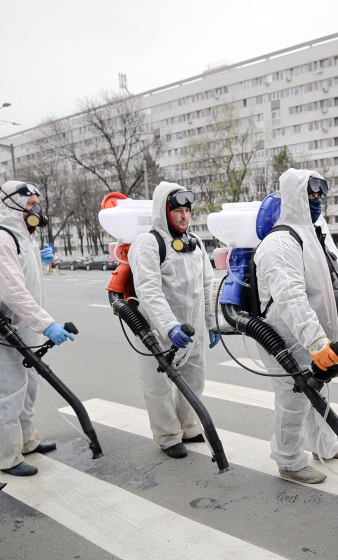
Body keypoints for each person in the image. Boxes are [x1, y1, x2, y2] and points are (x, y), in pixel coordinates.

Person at [252, 168, 338, 485]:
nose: (318, 199)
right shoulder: (281, 242)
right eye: (311, 192)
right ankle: (289, 460)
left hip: (312, 339)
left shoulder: (312, 236)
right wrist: (316, 344)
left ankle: (323, 444)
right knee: (293, 399)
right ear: (295, 195)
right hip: (285, 339)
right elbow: (291, 298)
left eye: (321, 193)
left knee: (319, 391)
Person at [0, 181, 74, 477]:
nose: (36, 211)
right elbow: (11, 291)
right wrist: (47, 324)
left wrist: (38, 262)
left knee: (28, 390)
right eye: (30, 206)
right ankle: (7, 457)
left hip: (25, 329)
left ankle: (28, 442)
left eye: (36, 205)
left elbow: (26, 280)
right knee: (7, 395)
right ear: (10, 204)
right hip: (0, 332)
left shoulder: (25, 238)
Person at [129, 181, 217, 458]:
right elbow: (148, 290)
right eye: (177, 211)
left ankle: (189, 427)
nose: (183, 217)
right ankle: (168, 436)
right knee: (159, 387)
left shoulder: (196, 243)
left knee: (194, 378)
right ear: (163, 211)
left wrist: (211, 323)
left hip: (193, 329)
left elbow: (207, 285)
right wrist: (169, 326)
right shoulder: (148, 243)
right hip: (157, 330)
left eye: (187, 211)